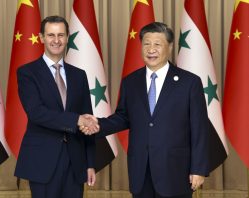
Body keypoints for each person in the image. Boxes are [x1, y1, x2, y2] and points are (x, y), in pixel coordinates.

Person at [81, 22, 209, 198]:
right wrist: (98, 124)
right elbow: (123, 117)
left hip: (175, 170)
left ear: (170, 47)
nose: (151, 49)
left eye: (157, 44)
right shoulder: (130, 82)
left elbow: (199, 128)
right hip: (140, 169)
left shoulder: (189, 83)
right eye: (146, 43)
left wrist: (199, 168)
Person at [14, 15, 98, 198]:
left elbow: (88, 121)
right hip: (42, 160)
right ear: (42, 38)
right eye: (51, 35)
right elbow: (36, 112)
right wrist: (76, 119)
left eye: (61, 35)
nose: (56, 40)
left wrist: (90, 163)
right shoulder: (27, 73)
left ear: (68, 37)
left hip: (75, 161)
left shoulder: (79, 75)